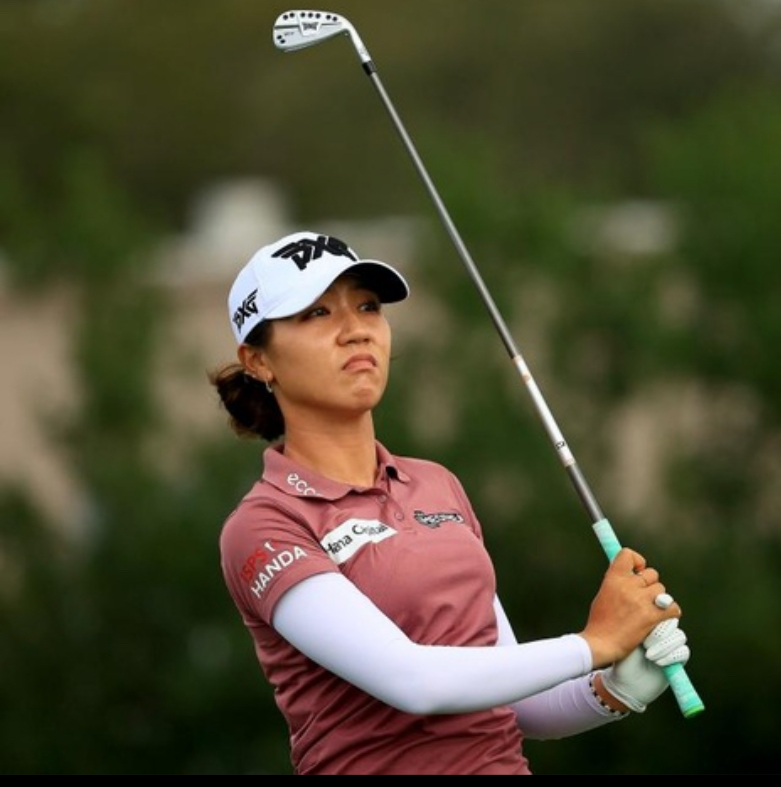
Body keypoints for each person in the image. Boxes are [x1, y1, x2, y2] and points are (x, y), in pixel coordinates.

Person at [211, 230, 690, 775]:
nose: (356, 330)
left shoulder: (435, 485)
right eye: (317, 313)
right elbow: (414, 682)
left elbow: (518, 703)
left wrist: (617, 687)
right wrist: (593, 642)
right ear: (258, 360)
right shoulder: (264, 524)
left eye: (368, 307)